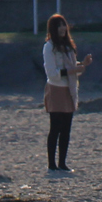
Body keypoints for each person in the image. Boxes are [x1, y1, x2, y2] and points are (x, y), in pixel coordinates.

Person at [42, 13, 92, 175]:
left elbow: (72, 68)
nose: (63, 28)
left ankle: (62, 163)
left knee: (66, 129)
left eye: (64, 25)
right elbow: (53, 73)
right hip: (56, 89)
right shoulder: (49, 47)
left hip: (69, 90)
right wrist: (74, 70)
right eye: (59, 26)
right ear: (53, 29)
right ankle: (51, 164)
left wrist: (82, 65)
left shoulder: (68, 46)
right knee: (55, 128)